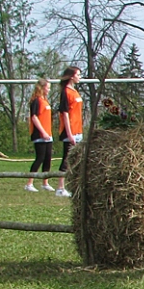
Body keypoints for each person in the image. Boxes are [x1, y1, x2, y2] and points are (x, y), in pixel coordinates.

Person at [54, 66, 83, 198]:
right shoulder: (65, 92)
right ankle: (60, 187)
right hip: (69, 131)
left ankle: (74, 186)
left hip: (78, 130)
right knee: (66, 158)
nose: (80, 77)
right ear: (71, 76)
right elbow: (64, 113)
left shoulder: (75, 91)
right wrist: (69, 133)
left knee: (76, 160)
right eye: (78, 74)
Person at [25, 77, 55, 192]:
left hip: (48, 134)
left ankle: (45, 182)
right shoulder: (36, 101)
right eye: (47, 88)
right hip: (40, 135)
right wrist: (42, 131)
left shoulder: (45, 100)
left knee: (48, 158)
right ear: (42, 88)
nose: (49, 90)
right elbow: (34, 117)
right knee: (40, 158)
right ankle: (29, 183)